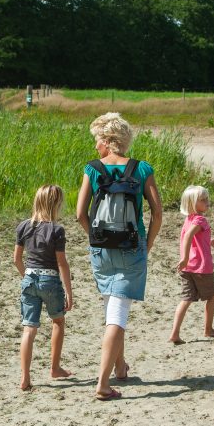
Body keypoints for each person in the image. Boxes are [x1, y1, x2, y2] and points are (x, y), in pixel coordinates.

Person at [76, 112, 162, 401]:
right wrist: (146, 245)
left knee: (113, 308)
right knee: (118, 314)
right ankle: (103, 383)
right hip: (131, 246)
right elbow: (158, 213)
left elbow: (79, 214)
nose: (95, 146)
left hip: (101, 250)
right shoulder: (141, 169)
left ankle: (120, 368)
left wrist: (95, 239)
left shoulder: (92, 169)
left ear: (106, 139)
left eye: (96, 140)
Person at [14, 184, 73, 391]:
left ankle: (25, 377)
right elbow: (62, 263)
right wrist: (69, 291)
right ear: (56, 204)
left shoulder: (23, 226)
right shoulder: (56, 230)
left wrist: (27, 277)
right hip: (50, 280)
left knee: (29, 328)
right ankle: (55, 367)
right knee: (58, 321)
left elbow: (17, 259)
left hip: (29, 278)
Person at [168, 185, 214, 344]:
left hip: (187, 268)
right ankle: (208, 329)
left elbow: (194, 237)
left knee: (186, 299)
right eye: (203, 200)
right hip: (201, 267)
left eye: (207, 199)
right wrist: (184, 257)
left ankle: (175, 333)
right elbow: (188, 237)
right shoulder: (200, 220)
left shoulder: (189, 219)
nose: (207, 202)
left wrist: (209, 241)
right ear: (192, 203)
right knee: (212, 296)